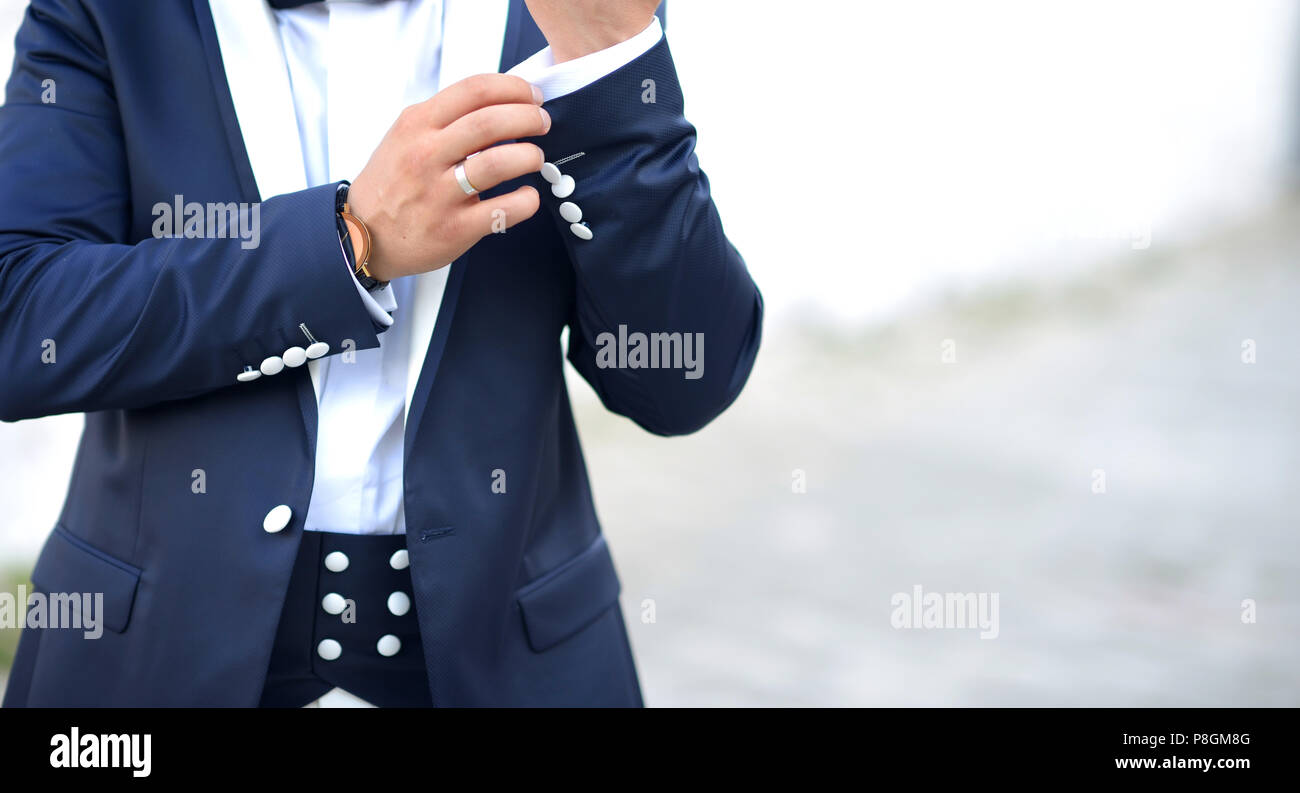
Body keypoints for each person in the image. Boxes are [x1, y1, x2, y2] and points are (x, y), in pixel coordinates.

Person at [0, 0, 761, 707]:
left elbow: (682, 382)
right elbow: (20, 317)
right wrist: (346, 244)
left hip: (517, 665)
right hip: (143, 669)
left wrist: (613, 68)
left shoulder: (576, 11)